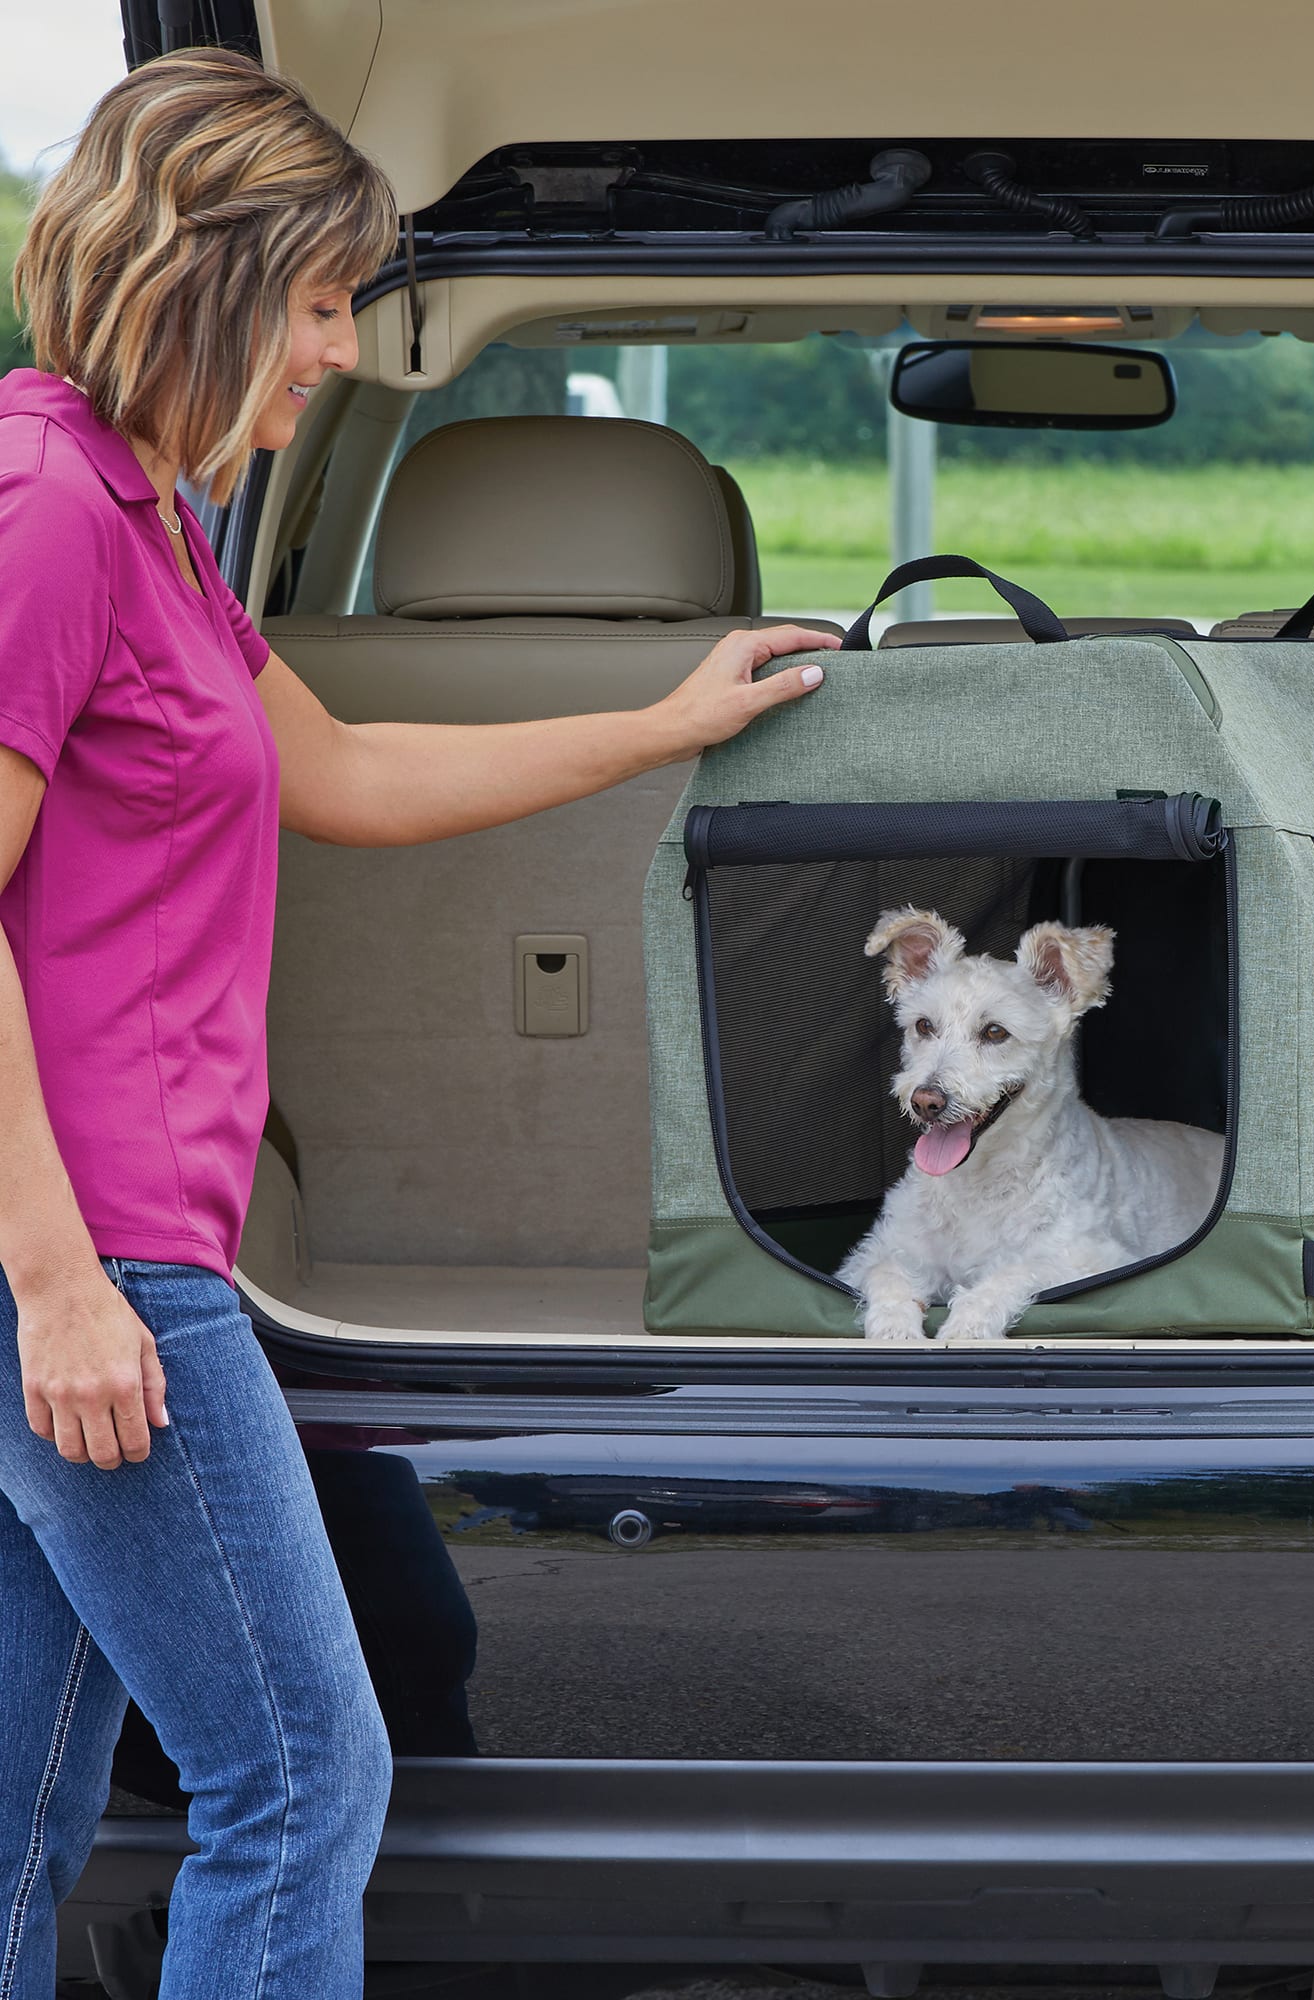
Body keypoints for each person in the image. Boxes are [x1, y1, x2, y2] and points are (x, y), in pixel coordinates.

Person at [0, 48, 827, 2000]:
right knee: (300, 1774)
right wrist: (55, 1283)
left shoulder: (159, 522)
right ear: (201, 268)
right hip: (96, 1258)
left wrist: (664, 721)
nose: (336, 354)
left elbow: (350, 772)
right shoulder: (43, 507)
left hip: (113, 1249)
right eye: (310, 302)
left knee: (28, 1824)